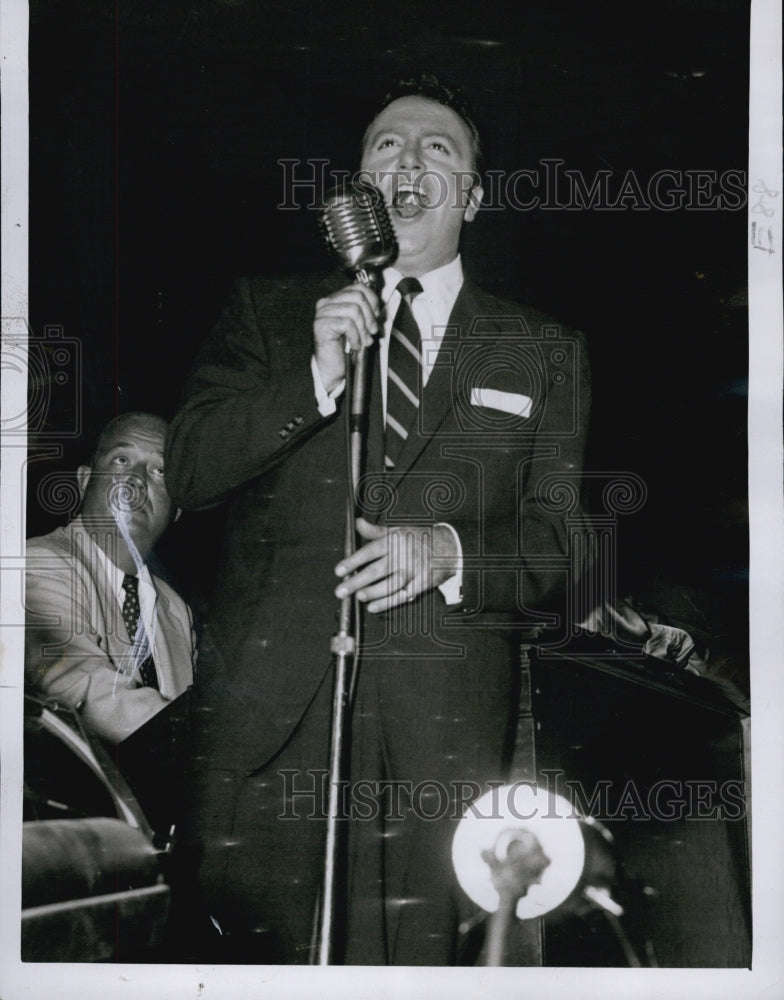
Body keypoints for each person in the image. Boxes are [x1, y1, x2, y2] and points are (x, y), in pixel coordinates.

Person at [165, 73, 591, 965]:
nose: (408, 158)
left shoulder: (541, 348)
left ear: (470, 196)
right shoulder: (267, 312)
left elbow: (567, 549)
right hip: (265, 737)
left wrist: (450, 551)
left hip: (439, 749)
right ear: (360, 186)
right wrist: (313, 380)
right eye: (386, 145)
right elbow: (191, 474)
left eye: (438, 148)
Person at [25, 411, 196, 837]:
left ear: (176, 511)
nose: (137, 480)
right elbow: (78, 687)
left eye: (160, 470)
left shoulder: (176, 610)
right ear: (84, 481)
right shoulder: (38, 563)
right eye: (122, 460)